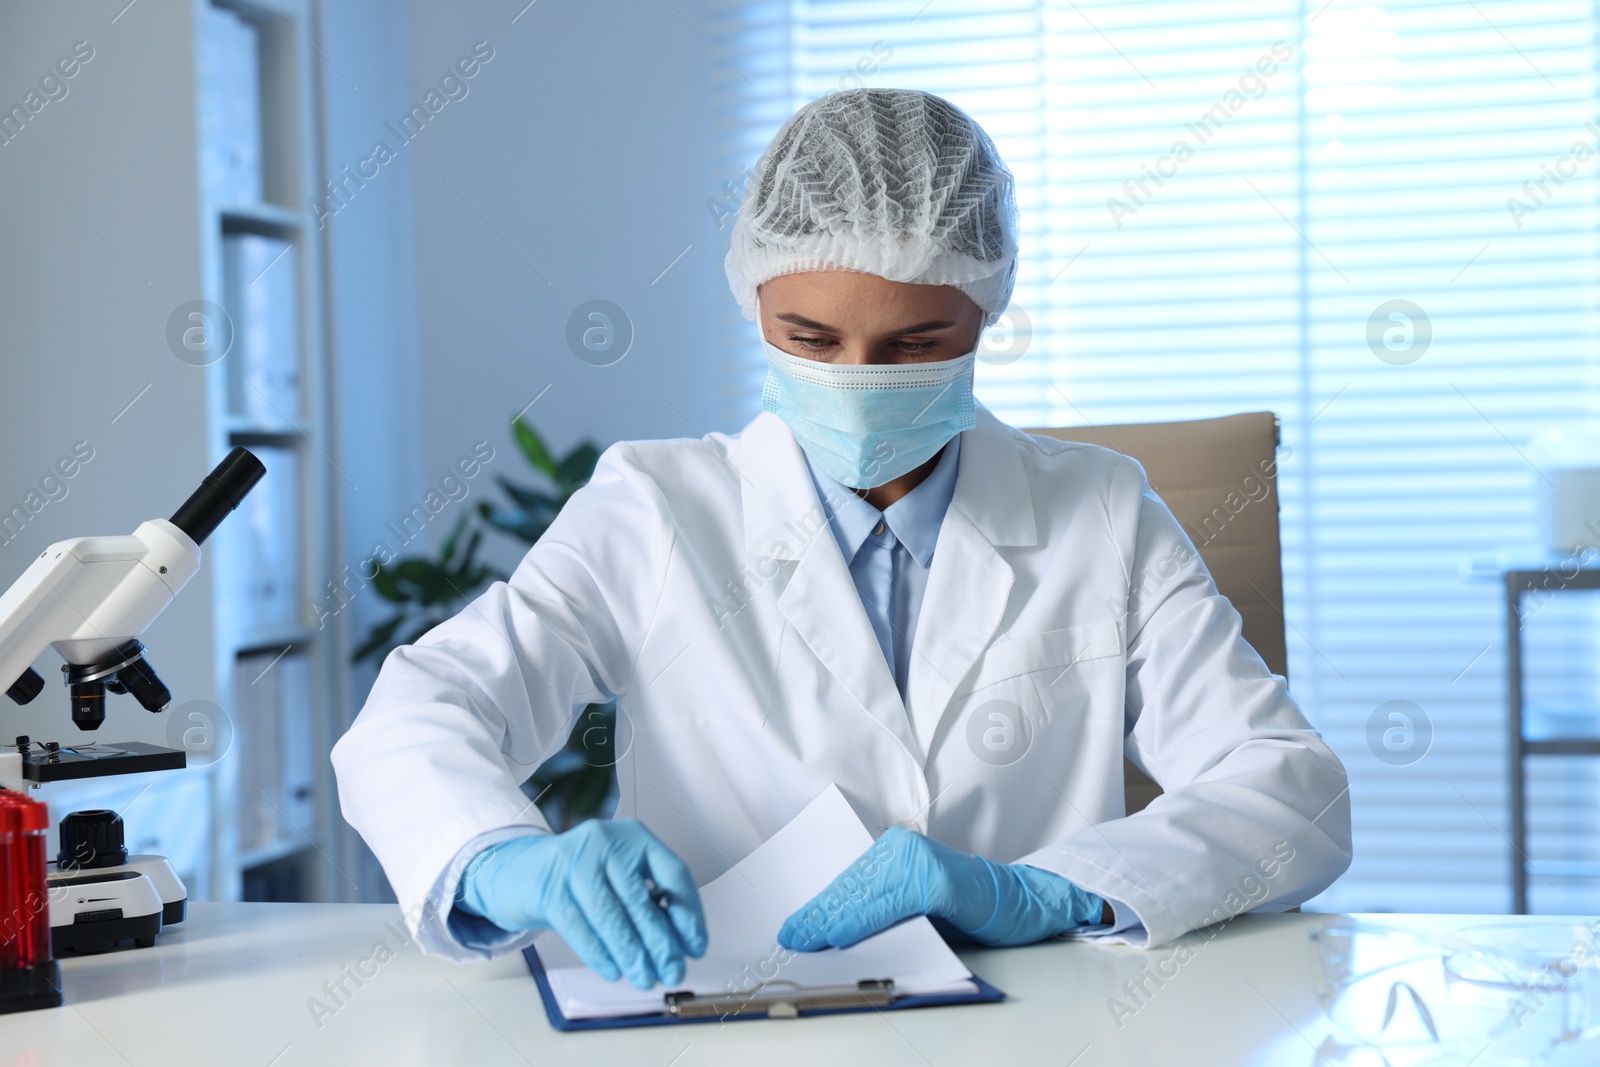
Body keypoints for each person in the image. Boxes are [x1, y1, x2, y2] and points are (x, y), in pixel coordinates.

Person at [331, 87, 1352, 991]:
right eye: (811, 340)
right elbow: (418, 711)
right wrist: (507, 860)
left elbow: (1290, 788)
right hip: (733, 1016)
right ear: (753, 300)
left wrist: (1043, 891)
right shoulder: (652, 506)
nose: (859, 380)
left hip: (1038, 1022)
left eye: (916, 344)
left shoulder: (1101, 510)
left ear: (986, 309)